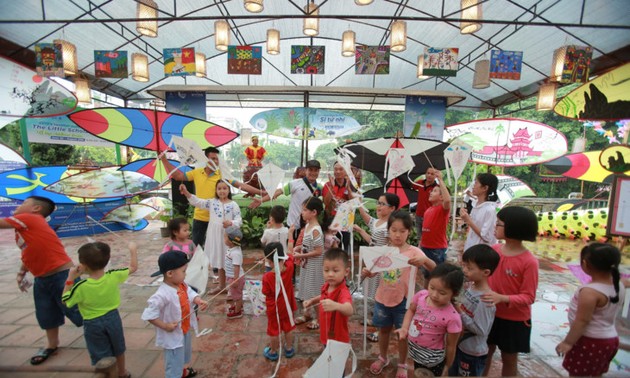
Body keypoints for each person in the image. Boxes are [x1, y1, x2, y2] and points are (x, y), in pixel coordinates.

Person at [0, 196, 83, 365]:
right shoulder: (26, 227)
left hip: (62, 275)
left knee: (77, 309)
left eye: (23, 203)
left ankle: (103, 335)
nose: (18, 206)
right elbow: (29, 251)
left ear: (36, 209)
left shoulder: (29, 218)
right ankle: (52, 344)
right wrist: (22, 272)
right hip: (42, 278)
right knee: (46, 312)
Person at [363, 210, 436, 378]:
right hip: (382, 298)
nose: (397, 235)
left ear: (409, 232)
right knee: (383, 330)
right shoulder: (383, 251)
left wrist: (424, 261)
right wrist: (368, 271)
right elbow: (373, 272)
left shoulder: (414, 252)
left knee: (403, 334)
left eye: (402, 231)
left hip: (405, 302)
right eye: (394, 230)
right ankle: (383, 357)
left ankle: (402, 363)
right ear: (388, 231)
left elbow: (435, 268)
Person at [62, 241, 138, 378]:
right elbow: (133, 267)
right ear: (107, 260)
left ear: (83, 266)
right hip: (113, 318)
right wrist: (132, 250)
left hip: (92, 323)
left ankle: (107, 375)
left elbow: (65, 300)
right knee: (118, 347)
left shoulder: (81, 286)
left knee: (100, 353)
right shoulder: (113, 276)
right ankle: (122, 372)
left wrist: (70, 278)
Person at [160, 147, 258, 249]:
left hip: (218, 220)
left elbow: (239, 184)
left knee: (219, 248)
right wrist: (164, 160)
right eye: (212, 158)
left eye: (216, 159)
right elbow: (177, 176)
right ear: (205, 160)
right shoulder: (196, 172)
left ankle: (218, 265)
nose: (215, 161)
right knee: (196, 248)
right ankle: (197, 265)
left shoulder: (222, 174)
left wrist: (261, 192)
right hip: (200, 217)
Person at [482, 206, 539, 377]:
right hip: (490, 313)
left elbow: (529, 297)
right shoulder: (494, 251)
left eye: (498, 224)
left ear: (513, 228)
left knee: (509, 358)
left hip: (514, 320)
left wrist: (502, 298)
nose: (495, 226)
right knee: (485, 352)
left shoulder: (529, 262)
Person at [556, 243, 626, 377]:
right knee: (596, 373)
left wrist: (568, 342)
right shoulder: (620, 284)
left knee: (578, 375)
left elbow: (582, 321)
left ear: (585, 264)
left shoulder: (589, 292)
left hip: (589, 342)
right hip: (610, 339)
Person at [142, 251, 209, 378]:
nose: (186, 274)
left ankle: (183, 371)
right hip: (172, 335)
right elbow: (149, 315)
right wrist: (164, 325)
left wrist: (197, 300)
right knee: (173, 363)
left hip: (184, 329)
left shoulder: (181, 284)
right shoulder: (161, 295)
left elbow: (189, 292)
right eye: (183, 271)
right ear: (170, 273)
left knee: (183, 355)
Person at [396, 263, 464, 377]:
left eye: (442, 292)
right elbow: (411, 310)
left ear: (454, 293)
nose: (434, 295)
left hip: (433, 358)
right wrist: (404, 328)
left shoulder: (453, 317)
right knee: (418, 373)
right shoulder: (421, 295)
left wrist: (447, 366)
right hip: (414, 349)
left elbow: (451, 345)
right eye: (432, 288)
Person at [180, 181, 242, 294]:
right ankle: (222, 286)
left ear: (229, 190)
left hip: (228, 237)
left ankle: (232, 287)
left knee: (230, 260)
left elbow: (239, 220)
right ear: (216, 190)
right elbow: (198, 202)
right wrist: (187, 193)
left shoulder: (234, 205)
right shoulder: (212, 203)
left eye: (224, 188)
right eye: (219, 188)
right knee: (219, 259)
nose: (222, 191)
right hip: (215, 236)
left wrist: (231, 222)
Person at [449, 244, 500, 377]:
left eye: (469, 268)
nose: (464, 270)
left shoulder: (485, 300)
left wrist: (460, 312)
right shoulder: (471, 286)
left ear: (486, 272)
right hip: (462, 346)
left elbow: (481, 329)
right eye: (464, 265)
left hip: (472, 353)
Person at [354, 192, 399, 343]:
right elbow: (372, 241)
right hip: (373, 263)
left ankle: (381, 331)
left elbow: (391, 249)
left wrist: (381, 265)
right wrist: (360, 230)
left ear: (392, 208)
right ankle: (376, 321)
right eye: (378, 203)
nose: (378, 206)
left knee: (383, 299)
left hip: (383, 266)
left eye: (382, 204)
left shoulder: (390, 227)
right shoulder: (377, 222)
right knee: (376, 296)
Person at [253, 159, 322, 242]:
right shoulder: (295, 183)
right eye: (310, 170)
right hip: (294, 226)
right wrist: (261, 200)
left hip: (309, 226)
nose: (313, 173)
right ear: (305, 170)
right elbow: (279, 191)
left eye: (316, 170)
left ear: (319, 172)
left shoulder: (320, 188)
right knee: (291, 250)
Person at [303, 248, 354, 347]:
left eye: (335, 271)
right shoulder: (326, 285)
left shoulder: (343, 292)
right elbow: (323, 297)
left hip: (338, 339)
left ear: (346, 272)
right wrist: (312, 300)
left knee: (335, 360)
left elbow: (349, 310)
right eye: (326, 270)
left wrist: (336, 306)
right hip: (325, 333)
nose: (330, 274)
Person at [261, 242, 297, 361]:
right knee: (288, 327)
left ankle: (273, 351)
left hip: (274, 308)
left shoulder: (267, 277)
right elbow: (290, 254)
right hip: (287, 305)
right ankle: (289, 349)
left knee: (274, 330)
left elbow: (265, 292)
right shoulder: (290, 266)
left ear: (270, 262)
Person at [294, 196, 325, 330]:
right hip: (307, 265)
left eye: (305, 210)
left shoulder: (316, 230)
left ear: (314, 212)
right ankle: (307, 314)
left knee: (315, 291)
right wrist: (299, 248)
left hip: (314, 266)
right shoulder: (308, 226)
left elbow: (319, 251)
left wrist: (301, 254)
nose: (302, 212)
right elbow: (308, 245)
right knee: (306, 288)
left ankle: (318, 318)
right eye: (303, 210)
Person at [460, 173, 499, 251]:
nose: (473, 186)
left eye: (476, 183)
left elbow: (487, 237)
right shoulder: (476, 204)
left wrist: (468, 220)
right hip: (471, 248)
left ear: (485, 188)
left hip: (481, 253)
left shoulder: (489, 209)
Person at [420, 170, 451, 266]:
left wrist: (440, 180)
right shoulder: (428, 210)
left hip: (437, 249)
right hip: (425, 247)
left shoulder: (442, 209)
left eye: (434, 191)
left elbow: (448, 200)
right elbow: (424, 230)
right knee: (426, 273)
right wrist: (420, 244)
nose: (430, 192)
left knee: (436, 275)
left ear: (441, 197)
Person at [322, 162, 355, 251]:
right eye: (336, 169)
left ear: (346, 171)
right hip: (331, 220)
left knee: (344, 245)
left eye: (341, 169)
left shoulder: (351, 184)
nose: (338, 171)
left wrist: (348, 188)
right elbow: (326, 202)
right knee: (329, 246)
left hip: (345, 220)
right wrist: (332, 188)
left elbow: (353, 203)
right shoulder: (327, 185)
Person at [411, 167, 438, 243]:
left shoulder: (436, 188)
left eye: (432, 174)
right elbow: (410, 185)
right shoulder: (420, 183)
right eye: (428, 173)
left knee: (429, 237)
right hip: (419, 214)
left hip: (430, 216)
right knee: (420, 237)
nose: (429, 175)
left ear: (436, 176)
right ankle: (421, 252)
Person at [224, 226, 245, 319]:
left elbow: (236, 267)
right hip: (232, 277)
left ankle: (238, 311)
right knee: (236, 293)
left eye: (225, 237)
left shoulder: (236, 253)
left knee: (237, 295)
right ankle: (238, 306)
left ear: (231, 241)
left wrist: (235, 280)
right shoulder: (232, 249)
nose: (223, 239)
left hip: (236, 278)